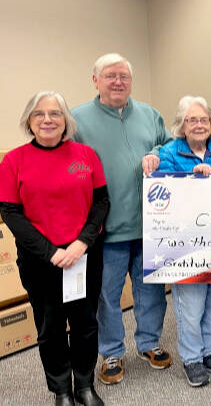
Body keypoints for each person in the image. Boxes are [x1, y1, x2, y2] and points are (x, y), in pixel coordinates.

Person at [0, 92, 109, 406]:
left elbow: (101, 202)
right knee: (50, 328)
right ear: (29, 122)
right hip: (40, 261)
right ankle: (61, 389)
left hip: (83, 257)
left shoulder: (86, 154)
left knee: (86, 324)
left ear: (66, 122)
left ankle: (85, 386)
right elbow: (10, 212)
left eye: (55, 114)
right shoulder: (13, 161)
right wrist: (51, 251)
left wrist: (81, 243)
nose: (47, 119)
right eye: (39, 114)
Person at [72, 53, 173, 385]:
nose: (118, 82)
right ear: (96, 80)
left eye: (124, 76)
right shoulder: (77, 121)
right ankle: (112, 351)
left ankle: (149, 343)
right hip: (107, 229)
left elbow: (169, 147)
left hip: (150, 227)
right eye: (111, 75)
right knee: (107, 297)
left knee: (152, 293)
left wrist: (157, 154)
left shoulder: (149, 114)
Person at [157, 96, 211, 387]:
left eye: (203, 119)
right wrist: (189, 177)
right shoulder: (169, 151)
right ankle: (192, 359)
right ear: (181, 126)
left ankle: (210, 351)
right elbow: (160, 190)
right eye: (192, 120)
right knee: (191, 304)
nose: (199, 125)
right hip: (184, 243)